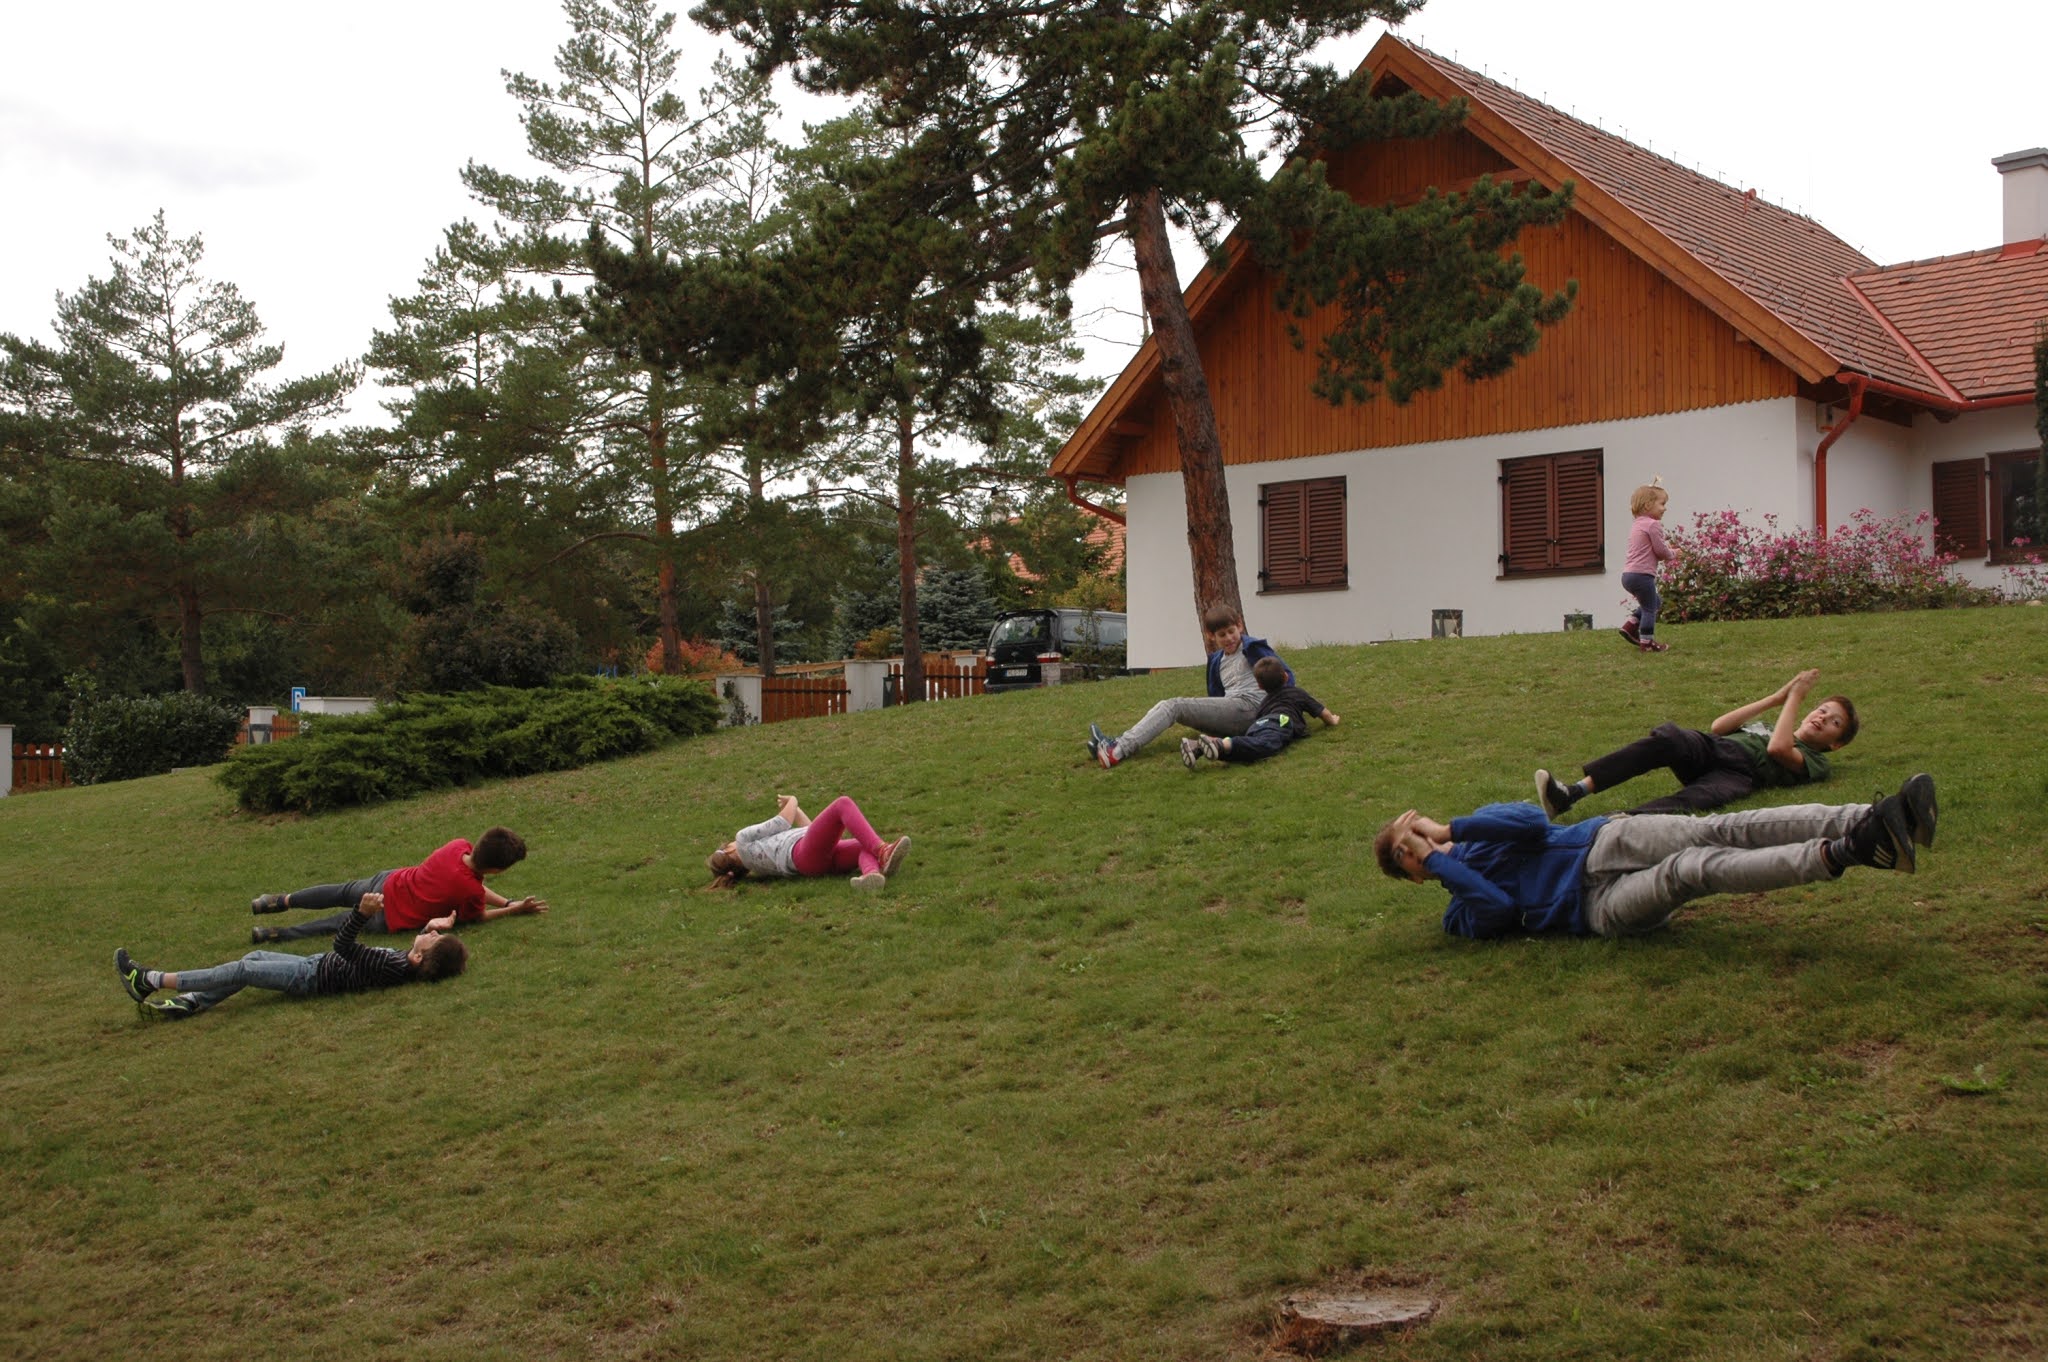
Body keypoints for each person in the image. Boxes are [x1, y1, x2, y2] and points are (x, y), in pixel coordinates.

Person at [1373, 774, 1936, 939]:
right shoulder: (1458, 914)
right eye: (1407, 855)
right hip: (1597, 909)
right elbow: (1496, 908)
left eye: (1413, 834)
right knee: (1692, 870)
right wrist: (1443, 863)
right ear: (1414, 877)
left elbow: (1533, 823)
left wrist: (1451, 831)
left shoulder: (1476, 825)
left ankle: (1872, 817)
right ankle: (1847, 851)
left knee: (1720, 829)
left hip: (1602, 841)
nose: (1419, 848)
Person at [1534, 668, 1855, 819]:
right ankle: (1571, 793)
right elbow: (1720, 727)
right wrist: (1776, 698)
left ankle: (1618, 821)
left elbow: (1778, 750)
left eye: (1834, 722)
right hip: (1714, 747)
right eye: (1822, 709)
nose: (1822, 717)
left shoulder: (1817, 761)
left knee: (1699, 798)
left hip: (1740, 775)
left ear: (1836, 744)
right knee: (1668, 738)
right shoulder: (1772, 726)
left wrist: (1795, 698)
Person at [116, 903, 468, 1019]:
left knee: (244, 969)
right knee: (253, 957)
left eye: (434, 938)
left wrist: (361, 913)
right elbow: (418, 949)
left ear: (420, 956)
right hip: (312, 966)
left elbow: (343, 944)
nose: (431, 933)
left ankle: (150, 980)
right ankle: (191, 1003)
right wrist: (432, 926)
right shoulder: (405, 962)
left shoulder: (390, 966)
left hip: (309, 976)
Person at [249, 826, 545, 944]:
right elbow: (477, 915)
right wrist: (513, 909)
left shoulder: (457, 846)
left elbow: (476, 887)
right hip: (388, 915)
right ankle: (273, 934)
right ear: (496, 869)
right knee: (335, 924)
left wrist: (508, 901)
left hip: (387, 882)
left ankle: (279, 901)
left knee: (339, 892)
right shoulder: (468, 891)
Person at [1086, 604, 1292, 769]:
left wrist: (1277, 713)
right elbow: (1217, 696)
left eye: (1232, 631)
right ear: (1211, 636)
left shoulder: (1253, 648)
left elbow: (1285, 676)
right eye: (1222, 635)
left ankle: (1116, 750)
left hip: (1252, 709)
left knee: (1174, 706)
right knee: (1171, 706)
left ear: (1239, 626)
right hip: (1233, 713)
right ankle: (1111, 745)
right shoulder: (1216, 660)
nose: (1229, 638)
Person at [706, 794, 911, 891]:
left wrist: (796, 810)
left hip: (810, 864)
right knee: (843, 804)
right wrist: (793, 800)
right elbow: (781, 822)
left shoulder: (754, 867)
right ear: (729, 849)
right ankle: (883, 851)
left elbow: (809, 832)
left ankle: (871, 876)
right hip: (803, 853)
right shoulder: (742, 839)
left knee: (863, 845)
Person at [1179, 657, 1340, 769]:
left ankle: (1199, 747)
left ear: (1260, 686)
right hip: (1281, 721)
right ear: (1286, 676)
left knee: (1249, 752)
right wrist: (1332, 720)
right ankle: (1218, 744)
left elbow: (1259, 719)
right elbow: (1322, 712)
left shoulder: (1264, 702)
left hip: (1259, 725)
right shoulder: (1297, 693)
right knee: (1266, 746)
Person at [1620, 480, 1675, 652]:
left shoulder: (1637, 524)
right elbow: (1661, 551)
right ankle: (1647, 643)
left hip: (1628, 575)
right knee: (1650, 608)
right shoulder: (1653, 524)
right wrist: (1673, 554)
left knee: (1654, 601)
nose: (1664, 508)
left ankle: (1630, 625)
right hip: (1642, 575)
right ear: (1648, 505)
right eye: (1662, 504)